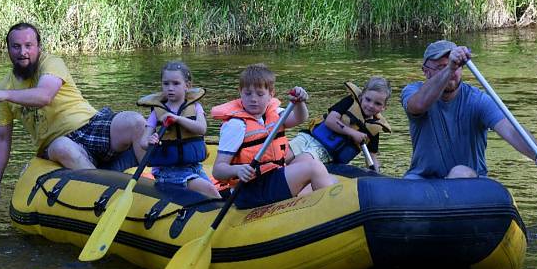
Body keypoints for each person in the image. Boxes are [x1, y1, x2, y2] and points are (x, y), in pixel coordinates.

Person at [0, 22, 146, 211]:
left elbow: (44, 95)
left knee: (135, 121)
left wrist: (6, 95)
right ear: (8, 50)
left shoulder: (50, 63)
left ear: (39, 47)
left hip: (90, 125)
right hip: (56, 144)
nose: (23, 52)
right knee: (62, 147)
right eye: (16, 47)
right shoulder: (3, 89)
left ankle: (156, 186)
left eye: (28, 46)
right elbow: (2, 141)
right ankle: (107, 199)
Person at [402, 39, 537, 179]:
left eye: (457, 66)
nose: (453, 72)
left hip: (470, 184)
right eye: (442, 67)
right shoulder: (412, 91)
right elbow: (419, 105)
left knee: (459, 172)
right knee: (408, 182)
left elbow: (510, 130)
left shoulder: (478, 100)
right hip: (423, 180)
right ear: (426, 71)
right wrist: (449, 68)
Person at [211, 63, 336, 209]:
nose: (253, 99)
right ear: (240, 92)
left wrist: (299, 103)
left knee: (308, 159)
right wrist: (237, 170)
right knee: (314, 168)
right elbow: (218, 170)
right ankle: (331, 212)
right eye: (248, 93)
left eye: (260, 94)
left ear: (271, 94)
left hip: (271, 177)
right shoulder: (236, 125)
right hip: (252, 189)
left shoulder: (274, 112)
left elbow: (300, 118)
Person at [138, 61, 220, 199]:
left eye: (176, 83)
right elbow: (143, 142)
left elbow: (202, 129)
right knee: (210, 191)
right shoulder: (156, 112)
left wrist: (177, 119)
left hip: (194, 167)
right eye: (166, 84)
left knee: (211, 193)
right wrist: (150, 141)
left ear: (187, 86)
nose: (170, 88)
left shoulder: (196, 107)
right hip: (168, 171)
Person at [287, 78, 392, 173]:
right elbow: (330, 120)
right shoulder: (350, 101)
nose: (370, 106)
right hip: (308, 137)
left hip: (326, 153)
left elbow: (372, 156)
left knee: (300, 162)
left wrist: (376, 174)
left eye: (377, 103)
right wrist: (353, 133)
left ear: (384, 107)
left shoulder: (374, 128)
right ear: (362, 96)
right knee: (282, 155)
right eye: (368, 100)